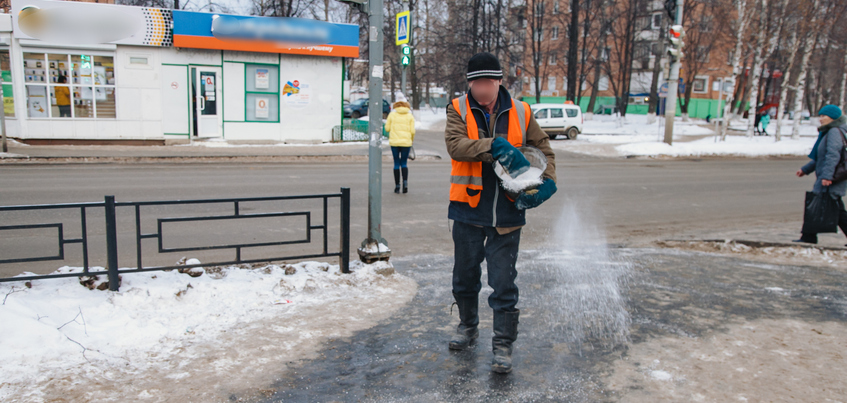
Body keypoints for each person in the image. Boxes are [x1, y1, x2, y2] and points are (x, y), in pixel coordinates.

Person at [444, 52, 557, 374]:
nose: (482, 88)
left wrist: (548, 181)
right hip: (467, 210)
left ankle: (503, 343)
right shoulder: (457, 108)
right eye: (476, 82)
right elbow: (455, 145)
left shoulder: (521, 111)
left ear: (498, 81)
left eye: (488, 81)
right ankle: (467, 326)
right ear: (469, 83)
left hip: (508, 213)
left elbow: (544, 149)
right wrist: (493, 145)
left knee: (504, 283)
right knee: (464, 278)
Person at [794, 104, 847, 246]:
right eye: (820, 115)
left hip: (832, 177)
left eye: (824, 116)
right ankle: (808, 235)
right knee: (825, 205)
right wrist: (806, 169)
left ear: (833, 117)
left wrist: (827, 177)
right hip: (829, 176)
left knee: (834, 209)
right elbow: (820, 157)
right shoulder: (829, 131)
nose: (820, 119)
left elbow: (832, 156)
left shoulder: (835, 131)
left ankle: (809, 236)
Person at [386, 99, 415, 193]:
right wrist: (411, 140)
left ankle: (397, 185)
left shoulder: (392, 115)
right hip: (406, 143)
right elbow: (413, 131)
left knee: (396, 163)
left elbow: (387, 128)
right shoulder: (409, 116)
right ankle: (405, 183)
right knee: (404, 163)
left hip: (394, 142)